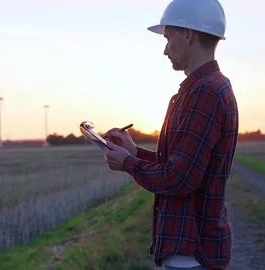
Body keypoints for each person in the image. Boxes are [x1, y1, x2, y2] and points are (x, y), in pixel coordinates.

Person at [101, 0, 238, 269]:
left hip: (192, 255)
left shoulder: (205, 92)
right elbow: (182, 163)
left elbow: (179, 178)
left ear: (188, 34)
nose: (165, 50)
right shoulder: (204, 88)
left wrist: (127, 164)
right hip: (190, 253)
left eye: (168, 37)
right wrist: (134, 152)